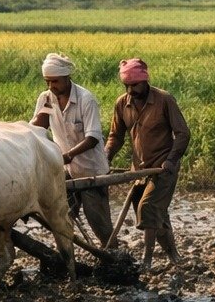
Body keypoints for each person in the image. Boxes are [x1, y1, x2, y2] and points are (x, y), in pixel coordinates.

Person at [105, 58, 190, 275]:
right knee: (156, 216)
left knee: (148, 208)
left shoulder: (164, 100)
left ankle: (147, 259)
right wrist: (105, 157)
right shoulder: (122, 103)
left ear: (145, 81)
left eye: (135, 85)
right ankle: (174, 256)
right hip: (139, 170)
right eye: (127, 86)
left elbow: (182, 133)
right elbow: (116, 136)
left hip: (163, 168)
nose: (130, 90)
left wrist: (171, 160)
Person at [31, 53, 112, 243]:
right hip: (64, 171)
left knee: (99, 224)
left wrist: (69, 155)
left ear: (67, 78)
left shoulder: (85, 99)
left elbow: (92, 137)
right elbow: (38, 126)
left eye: (55, 81)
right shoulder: (48, 99)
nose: (51, 86)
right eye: (48, 82)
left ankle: (113, 252)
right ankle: (67, 255)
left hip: (91, 171)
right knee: (61, 219)